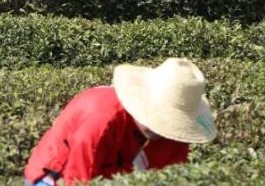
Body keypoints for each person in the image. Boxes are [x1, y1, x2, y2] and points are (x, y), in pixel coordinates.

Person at [24, 58, 216, 185]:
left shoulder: (175, 136)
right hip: (58, 176)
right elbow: (78, 179)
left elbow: (168, 176)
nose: (160, 129)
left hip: (115, 172)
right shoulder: (100, 118)